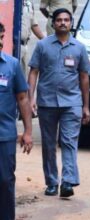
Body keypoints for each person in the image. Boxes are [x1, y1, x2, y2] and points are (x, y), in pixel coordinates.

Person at [28, 8, 90, 198]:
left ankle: (68, 182)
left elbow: (84, 77)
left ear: (71, 23)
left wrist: (86, 106)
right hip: (47, 102)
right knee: (48, 144)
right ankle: (52, 182)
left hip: (72, 103)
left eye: (66, 20)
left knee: (69, 141)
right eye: (59, 20)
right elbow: (33, 72)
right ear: (53, 23)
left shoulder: (79, 48)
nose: (63, 23)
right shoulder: (42, 46)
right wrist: (31, 98)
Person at [0, 22, 33, 220]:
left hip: (4, 135)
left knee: (5, 180)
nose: (0, 41)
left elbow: (23, 98)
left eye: (1, 37)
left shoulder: (11, 65)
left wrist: (28, 132)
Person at [21, 0, 45, 75]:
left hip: (24, 46)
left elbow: (33, 25)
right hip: (12, 45)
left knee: (24, 77)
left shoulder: (29, 4)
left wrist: (46, 41)